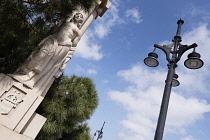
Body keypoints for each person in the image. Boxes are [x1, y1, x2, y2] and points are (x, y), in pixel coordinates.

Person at [12, 13, 84, 89]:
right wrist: (58, 25)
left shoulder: (78, 32)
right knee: (39, 55)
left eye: (80, 16)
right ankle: (23, 73)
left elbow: (73, 46)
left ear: (81, 21)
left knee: (49, 65)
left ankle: (33, 80)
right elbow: (54, 31)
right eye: (77, 14)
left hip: (64, 46)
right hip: (52, 41)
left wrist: (66, 59)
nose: (78, 16)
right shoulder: (65, 22)